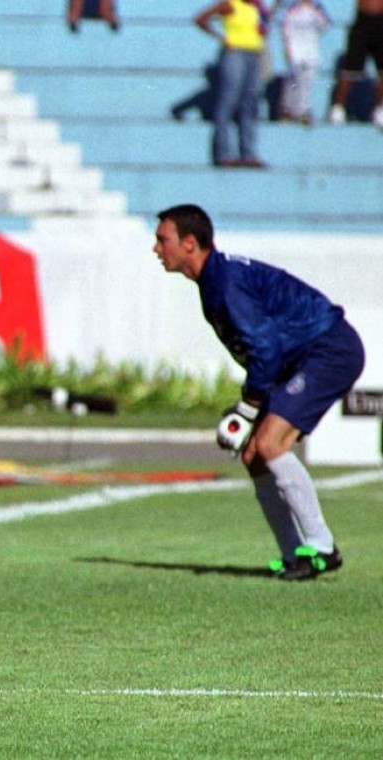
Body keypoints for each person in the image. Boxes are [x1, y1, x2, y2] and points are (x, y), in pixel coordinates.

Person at [151, 204, 363, 581]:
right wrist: (249, 406)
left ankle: (322, 547)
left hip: (328, 348)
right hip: (300, 357)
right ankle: (294, 555)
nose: (156, 248)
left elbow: (264, 347)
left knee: (269, 445)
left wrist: (248, 408)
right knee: (254, 454)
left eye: (161, 240)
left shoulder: (224, 283)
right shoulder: (213, 281)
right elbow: (262, 349)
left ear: (188, 243)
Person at [195, 0, 270, 168]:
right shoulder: (230, 4)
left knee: (250, 104)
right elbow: (200, 19)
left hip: (254, 53)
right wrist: (221, 37)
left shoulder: (256, 7)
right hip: (235, 53)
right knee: (229, 100)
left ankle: (248, 154)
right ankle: (223, 154)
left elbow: (264, 26)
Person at [328, 0, 383, 125]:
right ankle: (338, 109)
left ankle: (379, 110)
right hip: (363, 22)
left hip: (381, 24)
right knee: (349, 71)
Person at [278, 0, 332, 124]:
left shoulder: (317, 9)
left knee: (307, 82)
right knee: (293, 82)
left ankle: (303, 111)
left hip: (311, 53)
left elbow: (325, 25)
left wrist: (313, 9)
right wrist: (287, 50)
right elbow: (285, 31)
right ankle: (287, 111)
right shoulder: (292, 10)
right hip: (295, 52)